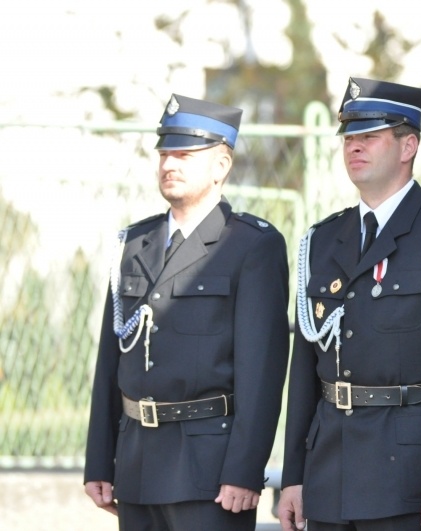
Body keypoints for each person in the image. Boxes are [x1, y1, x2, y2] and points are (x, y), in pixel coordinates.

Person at [278, 77, 421, 531]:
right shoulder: (323, 239)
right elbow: (304, 366)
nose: (354, 148)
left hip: (407, 476)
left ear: (408, 146)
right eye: (350, 138)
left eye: (370, 137)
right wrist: (294, 475)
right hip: (328, 471)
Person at [84, 94, 290, 530]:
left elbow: (263, 372)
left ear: (221, 166)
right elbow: (110, 358)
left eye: (184, 154)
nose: (168, 165)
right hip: (136, 465)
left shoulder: (250, 245)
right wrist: (100, 460)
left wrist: (244, 470)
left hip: (209, 472)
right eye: (163, 153)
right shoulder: (134, 244)